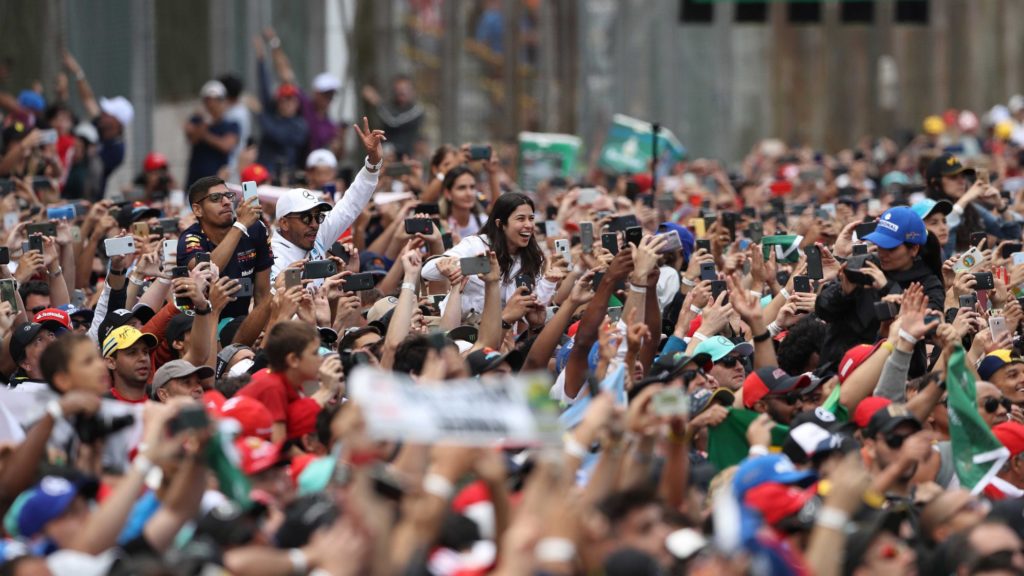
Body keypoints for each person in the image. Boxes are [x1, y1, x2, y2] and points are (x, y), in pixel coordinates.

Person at [816, 206, 943, 375]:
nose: (882, 253)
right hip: (840, 369)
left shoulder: (928, 283)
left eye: (890, 248)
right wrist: (844, 293)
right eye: (880, 244)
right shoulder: (864, 264)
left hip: (895, 373)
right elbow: (822, 309)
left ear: (913, 249)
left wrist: (887, 288)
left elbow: (931, 325)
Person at [269, 117, 384, 280]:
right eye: (306, 218)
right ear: (284, 223)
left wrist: (373, 163)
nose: (315, 224)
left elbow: (351, 204)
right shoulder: (273, 259)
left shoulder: (317, 234)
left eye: (318, 216)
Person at [422, 192, 552, 317]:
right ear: (500, 224)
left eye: (531, 218)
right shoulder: (476, 244)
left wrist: (550, 282)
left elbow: (537, 305)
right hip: (463, 326)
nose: (528, 225)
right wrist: (477, 265)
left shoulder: (532, 257)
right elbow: (427, 271)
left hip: (507, 328)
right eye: (521, 219)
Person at [178, 176, 271, 318]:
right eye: (215, 198)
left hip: (241, 323)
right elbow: (208, 271)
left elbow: (262, 295)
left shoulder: (255, 229)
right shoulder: (190, 238)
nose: (227, 202)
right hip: (201, 323)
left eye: (228, 196)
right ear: (197, 210)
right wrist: (240, 226)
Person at [235, 321, 321, 442]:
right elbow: (278, 444)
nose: (320, 359)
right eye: (315, 353)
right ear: (293, 360)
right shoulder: (273, 387)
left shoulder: (292, 385)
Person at [254, 44, 308, 180]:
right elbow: (264, 90)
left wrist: (260, 113)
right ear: (278, 102)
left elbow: (278, 135)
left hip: (285, 178)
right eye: (284, 100)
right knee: (250, 190)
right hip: (263, 174)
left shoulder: (300, 125)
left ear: (297, 103)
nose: (288, 104)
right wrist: (261, 61)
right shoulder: (273, 116)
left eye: (291, 100)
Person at [183, 80, 240, 187]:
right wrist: (205, 123)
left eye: (215, 101)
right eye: (208, 101)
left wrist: (205, 135)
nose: (211, 105)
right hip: (196, 178)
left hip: (217, 178)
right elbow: (192, 138)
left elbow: (226, 146)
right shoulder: (198, 120)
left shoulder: (231, 124)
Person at [361, 75, 424, 159]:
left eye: (404, 89)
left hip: (406, 155)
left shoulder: (416, 110)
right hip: (388, 154)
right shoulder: (390, 107)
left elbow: (394, 122)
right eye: (398, 89)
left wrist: (377, 102)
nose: (401, 92)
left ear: (412, 91)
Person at [102, 325, 157, 403]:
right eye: (132, 353)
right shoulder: (99, 407)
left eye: (145, 352)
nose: (143, 358)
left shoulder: (164, 399)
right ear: (111, 362)